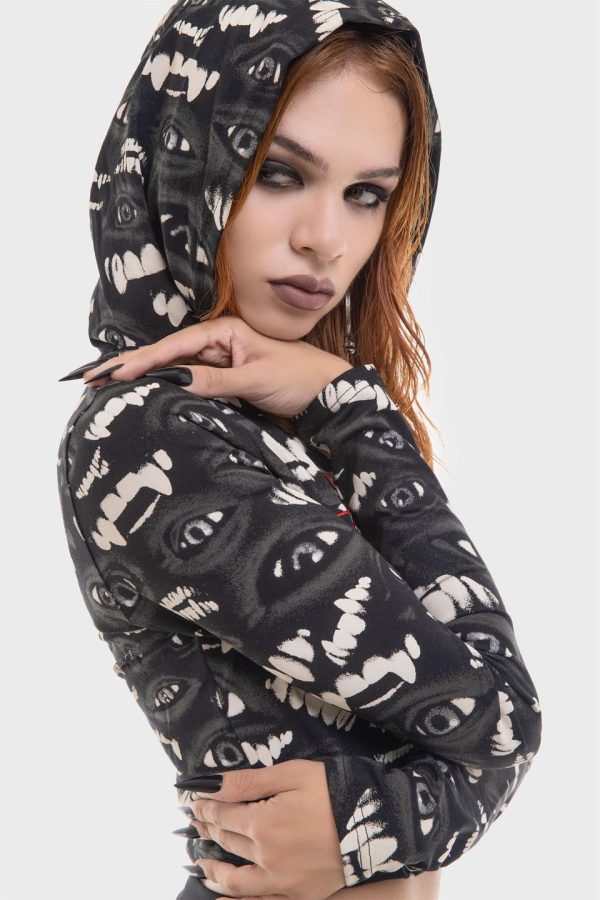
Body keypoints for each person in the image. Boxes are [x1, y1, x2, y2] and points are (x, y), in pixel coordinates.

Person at [56, 1, 543, 898]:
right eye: (279, 174)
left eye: (367, 194)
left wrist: (332, 395)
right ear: (183, 160)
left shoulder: (283, 418)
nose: (326, 239)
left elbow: (490, 732)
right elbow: (501, 719)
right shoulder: (147, 435)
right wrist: (347, 406)